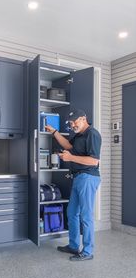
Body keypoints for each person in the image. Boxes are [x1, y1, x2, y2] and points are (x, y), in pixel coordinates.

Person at [45, 109, 101, 261]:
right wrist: (54, 132)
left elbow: (94, 161)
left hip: (88, 177)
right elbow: (68, 146)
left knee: (86, 216)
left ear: (84, 118)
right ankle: (74, 246)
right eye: (71, 122)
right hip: (78, 178)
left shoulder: (92, 134)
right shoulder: (78, 135)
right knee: (72, 213)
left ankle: (88, 252)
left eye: (75, 121)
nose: (73, 124)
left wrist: (71, 158)